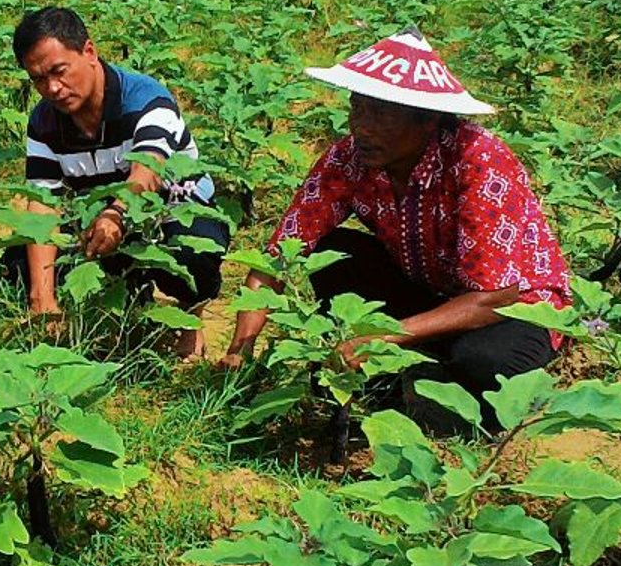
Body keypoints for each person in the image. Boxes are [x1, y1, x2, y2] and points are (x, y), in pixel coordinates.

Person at [219, 29, 570, 407]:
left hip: (512, 309)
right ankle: (402, 369)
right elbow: (277, 258)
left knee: (483, 362)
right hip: (429, 293)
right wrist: (241, 350)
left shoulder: (476, 161)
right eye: (357, 107)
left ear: (428, 120)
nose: (362, 126)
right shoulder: (349, 160)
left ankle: (425, 386)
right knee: (337, 253)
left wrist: (383, 334)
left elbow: (496, 296)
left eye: (382, 114)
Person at [6, 6, 231, 357]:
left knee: (193, 251)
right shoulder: (44, 121)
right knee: (19, 264)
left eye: (59, 71)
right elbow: (42, 204)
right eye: (37, 79)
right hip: (101, 220)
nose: (52, 87)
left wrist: (117, 214)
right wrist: (43, 299)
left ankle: (190, 318)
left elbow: (147, 170)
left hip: (168, 215)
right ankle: (129, 296)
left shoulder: (146, 99)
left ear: (89, 52)